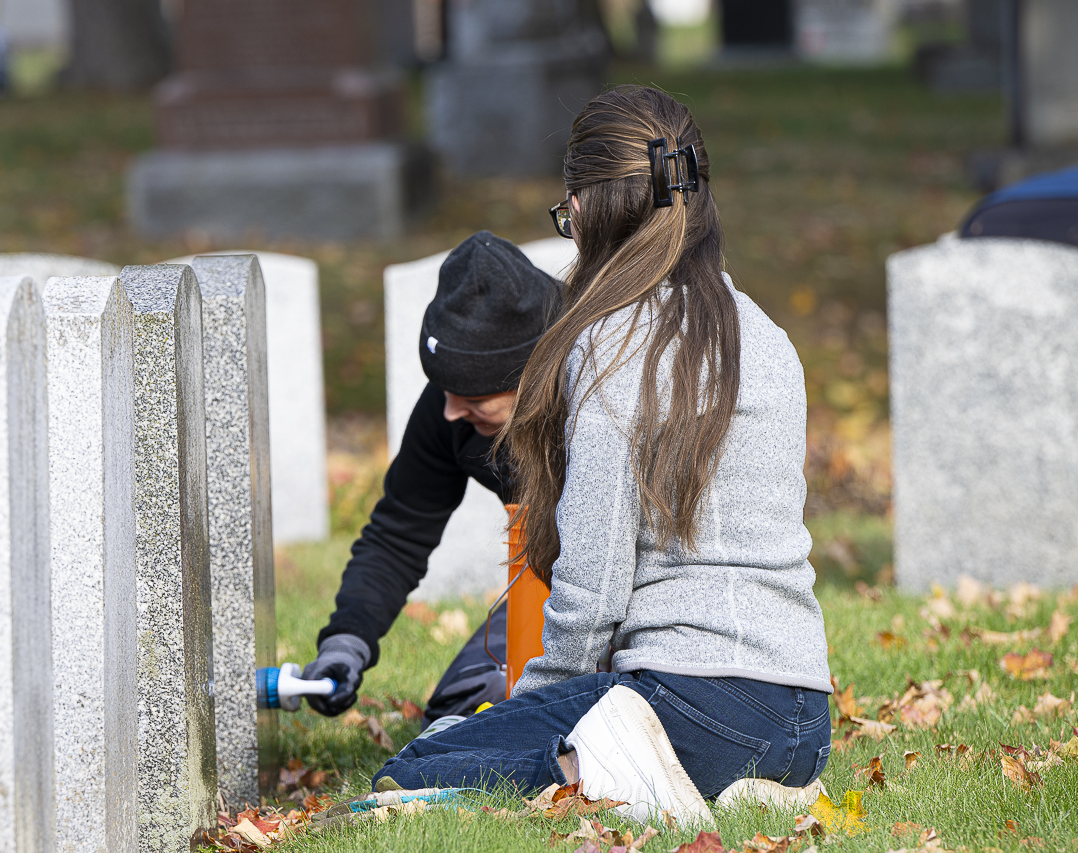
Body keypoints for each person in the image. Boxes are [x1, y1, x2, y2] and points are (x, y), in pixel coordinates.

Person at [373, 85, 833, 825]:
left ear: (586, 210)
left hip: (689, 701)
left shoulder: (615, 342)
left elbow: (592, 581)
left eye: (567, 208)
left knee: (415, 767)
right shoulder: (768, 337)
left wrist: (542, 706)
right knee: (481, 746)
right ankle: (727, 779)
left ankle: (619, 765)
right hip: (804, 717)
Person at [300, 231, 562, 724]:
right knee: (459, 708)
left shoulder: (609, 393)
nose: (448, 412)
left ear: (537, 376)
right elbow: (400, 531)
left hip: (652, 599)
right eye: (444, 389)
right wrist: (347, 640)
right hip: (543, 591)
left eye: (473, 398)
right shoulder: (453, 410)